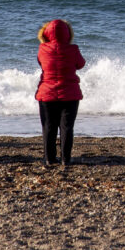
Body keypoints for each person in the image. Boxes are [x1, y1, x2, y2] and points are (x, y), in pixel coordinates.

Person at [35, 19, 86, 166]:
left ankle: (50, 159)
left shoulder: (42, 49)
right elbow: (81, 64)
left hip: (47, 94)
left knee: (48, 127)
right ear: (68, 33)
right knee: (67, 127)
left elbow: (41, 63)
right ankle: (66, 158)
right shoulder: (73, 49)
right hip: (70, 94)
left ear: (46, 33)